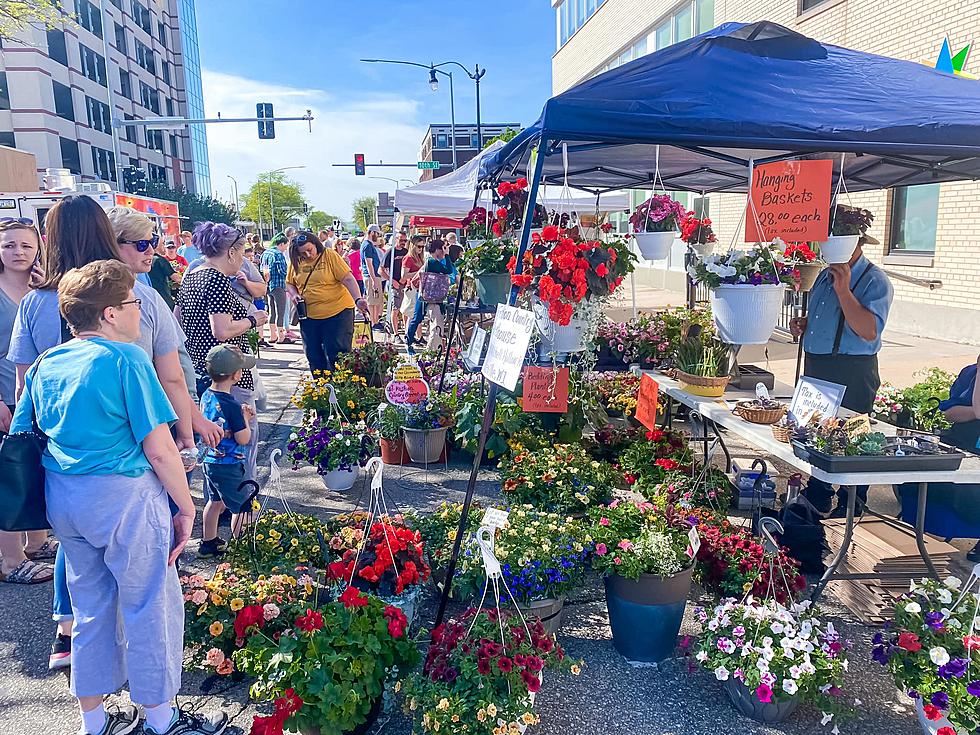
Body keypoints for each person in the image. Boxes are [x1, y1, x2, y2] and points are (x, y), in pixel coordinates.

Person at [11, 259, 228, 735]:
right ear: (109, 313)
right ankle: (160, 718)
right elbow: (159, 447)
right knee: (150, 604)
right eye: (133, 303)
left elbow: (24, 429)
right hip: (124, 497)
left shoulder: (50, 360)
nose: (139, 312)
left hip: (65, 497)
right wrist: (186, 506)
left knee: (88, 608)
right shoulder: (125, 359)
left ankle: (95, 721)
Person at [790, 229, 893, 516]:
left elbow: (868, 330)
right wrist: (804, 324)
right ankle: (819, 491)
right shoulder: (824, 275)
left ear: (854, 243)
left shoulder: (874, 279)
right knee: (815, 430)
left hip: (852, 369)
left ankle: (853, 502)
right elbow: (829, 318)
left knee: (852, 437)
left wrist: (845, 290)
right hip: (819, 364)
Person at [176, 222, 267, 482]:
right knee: (242, 439)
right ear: (230, 253)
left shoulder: (192, 275)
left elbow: (178, 320)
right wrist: (254, 320)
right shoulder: (216, 280)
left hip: (203, 371)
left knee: (214, 442)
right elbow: (222, 330)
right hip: (229, 372)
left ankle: (218, 500)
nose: (243, 258)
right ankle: (242, 504)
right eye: (241, 253)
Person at [0, 217, 56, 586]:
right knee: (8, 478)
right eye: (9, 245)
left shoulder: (43, 290)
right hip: (5, 399)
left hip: (36, 399)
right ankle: (10, 559)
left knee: (36, 469)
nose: (18, 252)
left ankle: (36, 541)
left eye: (25, 245)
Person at [198, 345, 255, 558]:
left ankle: (208, 542)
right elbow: (243, 438)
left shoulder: (206, 394)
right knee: (242, 508)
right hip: (230, 464)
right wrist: (246, 419)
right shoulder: (231, 404)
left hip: (210, 462)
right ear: (235, 375)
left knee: (215, 502)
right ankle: (243, 552)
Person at [285, 231, 367, 373]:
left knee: (338, 356)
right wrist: (294, 295)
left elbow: (347, 278)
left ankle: (341, 389)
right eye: (303, 253)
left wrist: (358, 300)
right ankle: (322, 390)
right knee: (314, 356)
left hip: (338, 312)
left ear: (316, 244)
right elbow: (289, 283)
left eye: (309, 250)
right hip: (309, 316)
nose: (308, 255)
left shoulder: (329, 255)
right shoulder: (296, 261)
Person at [406, 239, 457, 355]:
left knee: (417, 318)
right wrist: (448, 254)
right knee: (417, 318)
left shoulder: (430, 261)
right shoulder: (432, 262)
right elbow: (448, 270)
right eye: (443, 248)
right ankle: (408, 341)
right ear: (438, 249)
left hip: (427, 295)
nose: (444, 251)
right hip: (429, 296)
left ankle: (408, 341)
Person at [261, 234, 292, 345]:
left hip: (268, 285)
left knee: (272, 310)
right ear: (281, 243)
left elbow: (262, 269)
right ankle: (281, 336)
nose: (285, 248)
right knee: (281, 311)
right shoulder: (278, 254)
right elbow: (282, 271)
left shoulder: (265, 253)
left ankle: (272, 335)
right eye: (286, 245)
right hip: (279, 285)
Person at [360, 225, 388, 329]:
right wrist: (373, 279)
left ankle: (375, 321)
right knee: (371, 301)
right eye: (377, 233)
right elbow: (369, 264)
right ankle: (373, 322)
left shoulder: (369, 245)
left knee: (376, 300)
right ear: (372, 233)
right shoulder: (367, 245)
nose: (378, 236)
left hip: (374, 276)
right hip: (371, 276)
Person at [385, 232, 408, 338]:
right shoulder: (390, 252)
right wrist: (392, 280)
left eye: (405, 240)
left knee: (406, 309)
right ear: (396, 239)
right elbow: (381, 270)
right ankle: (396, 333)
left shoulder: (406, 252)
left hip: (405, 284)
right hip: (395, 284)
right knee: (396, 308)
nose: (403, 242)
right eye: (401, 240)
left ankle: (407, 331)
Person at [148, 237, 181, 309]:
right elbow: (176, 278)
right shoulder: (160, 260)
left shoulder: (146, 260)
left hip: (150, 298)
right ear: (156, 245)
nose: (163, 246)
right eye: (162, 244)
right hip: (163, 297)